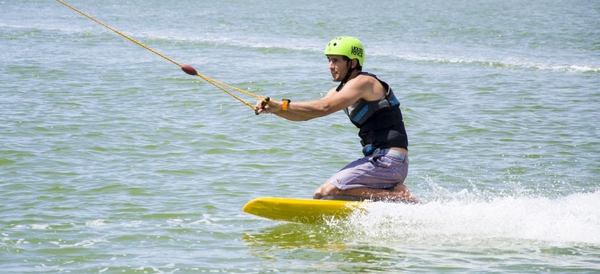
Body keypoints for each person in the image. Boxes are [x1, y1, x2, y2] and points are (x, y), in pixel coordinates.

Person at [255, 36, 417, 203]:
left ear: (353, 63)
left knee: (325, 193)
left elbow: (324, 107)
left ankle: (399, 196)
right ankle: (389, 196)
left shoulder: (365, 82)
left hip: (389, 161)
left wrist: (282, 105)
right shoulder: (340, 90)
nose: (330, 66)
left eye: (335, 61)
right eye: (329, 60)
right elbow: (306, 115)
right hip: (378, 160)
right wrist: (274, 109)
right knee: (324, 196)